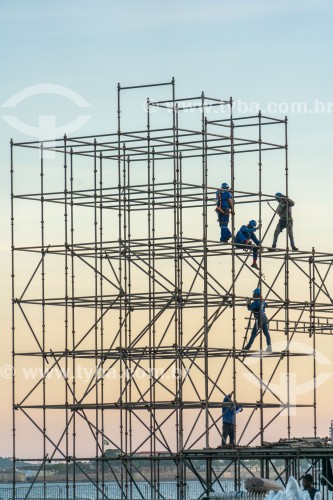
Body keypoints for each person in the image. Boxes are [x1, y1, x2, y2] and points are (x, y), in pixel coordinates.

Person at [245, 288, 272, 352]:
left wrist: (248, 302)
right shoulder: (262, 301)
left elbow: (249, 308)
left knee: (253, 333)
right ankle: (269, 347)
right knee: (266, 333)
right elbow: (265, 305)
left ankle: (248, 347)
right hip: (264, 318)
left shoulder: (255, 303)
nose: (253, 295)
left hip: (259, 319)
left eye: (254, 294)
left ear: (257, 295)